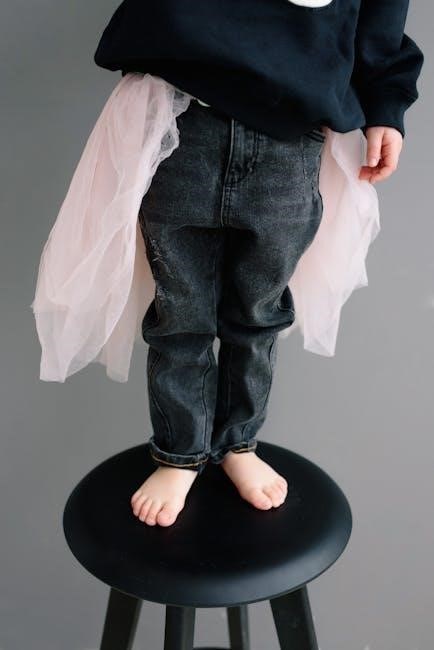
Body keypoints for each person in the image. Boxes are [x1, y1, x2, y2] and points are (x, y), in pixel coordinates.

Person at [32, 0, 424, 527]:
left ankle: (238, 442)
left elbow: (382, 17)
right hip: (181, 109)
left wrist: (386, 106)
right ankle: (180, 452)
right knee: (180, 313)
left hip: (292, 131)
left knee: (258, 313)